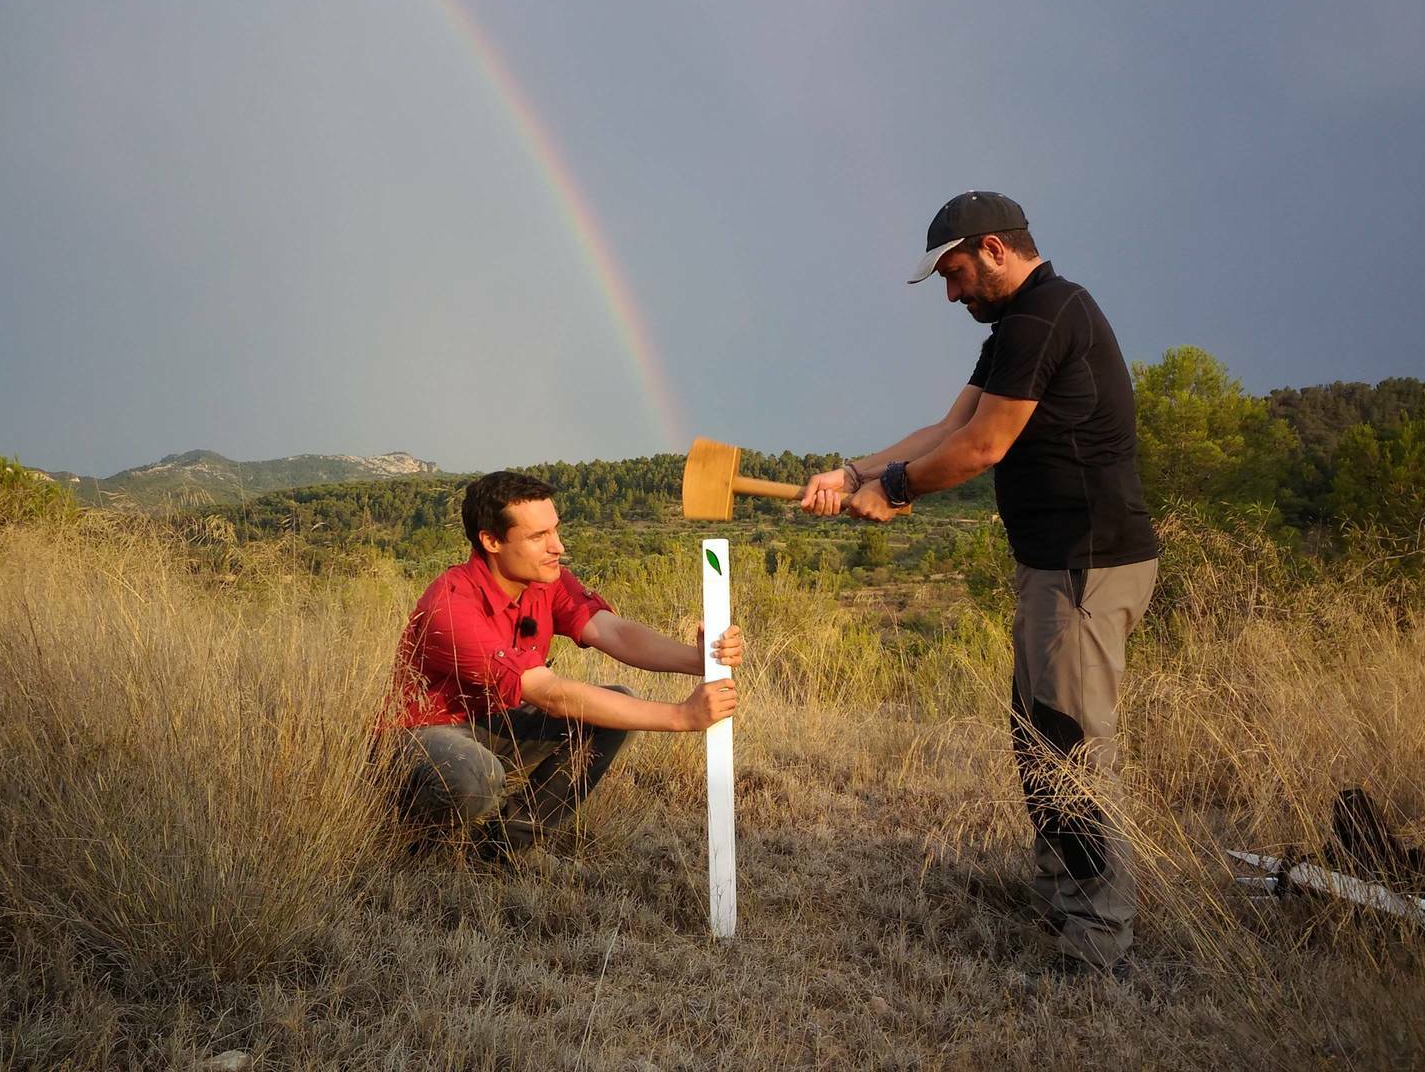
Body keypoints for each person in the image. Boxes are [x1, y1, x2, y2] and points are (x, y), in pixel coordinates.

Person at [800, 191, 1159, 976]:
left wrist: (896, 491)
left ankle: (1097, 944)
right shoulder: (1015, 327)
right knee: (1037, 740)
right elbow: (946, 430)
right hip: (1054, 565)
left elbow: (983, 449)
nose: (953, 293)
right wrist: (854, 470)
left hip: (1087, 566)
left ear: (993, 248)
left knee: (1070, 745)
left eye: (956, 274)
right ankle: (1063, 901)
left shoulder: (1044, 316)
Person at [388, 470, 743, 860]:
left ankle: (505, 849)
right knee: (475, 774)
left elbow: (616, 633)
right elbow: (550, 695)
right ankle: (418, 847)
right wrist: (681, 717)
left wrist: (699, 660)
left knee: (611, 714)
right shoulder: (452, 604)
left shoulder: (547, 581)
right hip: (425, 733)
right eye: (538, 537)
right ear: (491, 540)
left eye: (555, 530)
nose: (558, 546)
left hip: (499, 722)